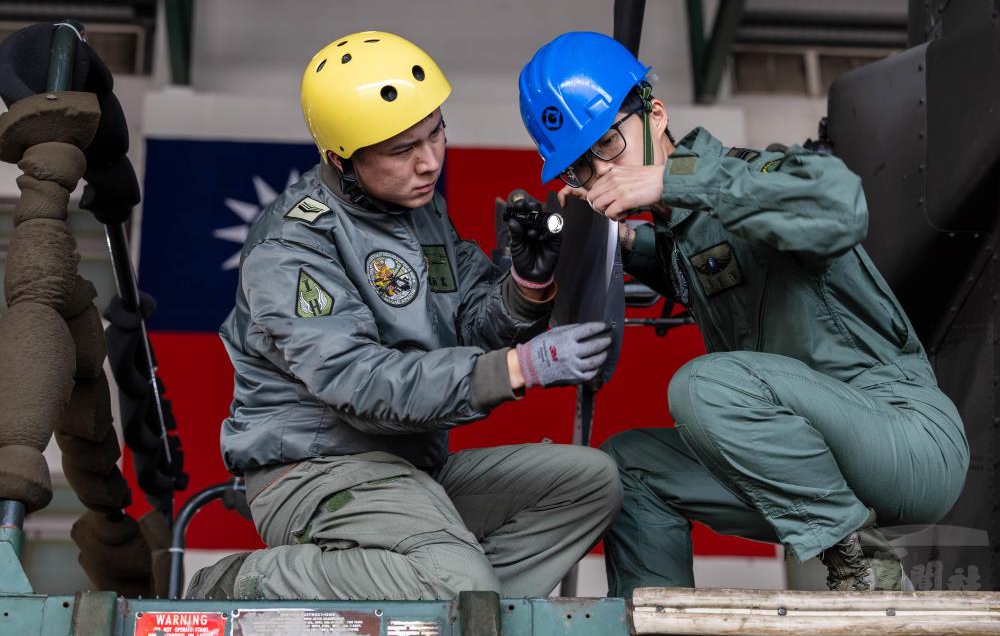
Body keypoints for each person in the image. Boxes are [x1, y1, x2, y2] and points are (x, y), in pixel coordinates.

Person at [517, 31, 969, 596]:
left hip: (904, 437)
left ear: (655, 114)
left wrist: (673, 177)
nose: (600, 172)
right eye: (579, 168)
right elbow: (702, 260)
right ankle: (658, 621)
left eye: (607, 144)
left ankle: (864, 569)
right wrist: (619, 243)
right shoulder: (683, 227)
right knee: (628, 466)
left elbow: (838, 204)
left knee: (704, 386)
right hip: (808, 460)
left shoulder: (743, 174)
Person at [187, 31, 622, 601]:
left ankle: (466, 604)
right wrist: (517, 368)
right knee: (455, 584)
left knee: (590, 483)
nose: (430, 161)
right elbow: (359, 384)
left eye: (436, 131)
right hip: (317, 472)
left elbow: (472, 321)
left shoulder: (418, 211)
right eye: (401, 149)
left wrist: (527, 286)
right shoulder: (291, 246)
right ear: (343, 159)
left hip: (413, 469)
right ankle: (247, 582)